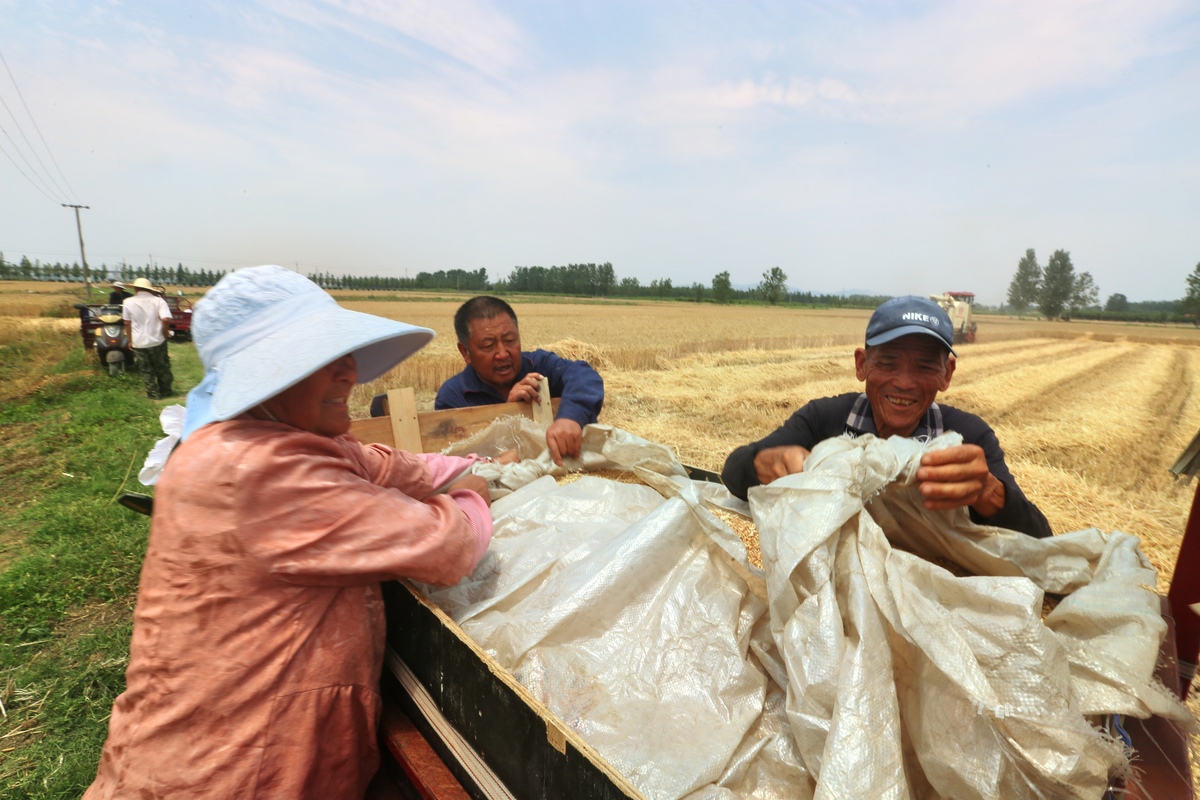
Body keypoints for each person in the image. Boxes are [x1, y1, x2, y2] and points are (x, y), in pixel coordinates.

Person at [84, 265, 494, 799]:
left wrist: (475, 462)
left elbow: (391, 466)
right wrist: (473, 497)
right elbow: (447, 546)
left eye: (344, 353)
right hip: (231, 771)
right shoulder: (255, 471)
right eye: (325, 358)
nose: (350, 372)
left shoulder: (273, 436)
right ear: (269, 374)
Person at [722, 295, 1052, 539]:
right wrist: (761, 463)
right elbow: (734, 474)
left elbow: (1039, 539)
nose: (904, 383)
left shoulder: (968, 436)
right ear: (862, 364)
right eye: (889, 363)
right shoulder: (825, 419)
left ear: (946, 374)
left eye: (924, 366)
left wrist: (988, 493)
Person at [394, 295, 603, 466]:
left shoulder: (539, 365)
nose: (502, 354)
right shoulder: (454, 396)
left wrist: (570, 417)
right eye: (488, 345)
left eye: (510, 340)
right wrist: (508, 415)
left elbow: (584, 376)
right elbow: (458, 464)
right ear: (465, 352)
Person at [122, 277, 174, 399]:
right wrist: (165, 332)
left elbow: (126, 323)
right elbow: (166, 319)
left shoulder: (128, 302)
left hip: (139, 342)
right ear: (149, 289)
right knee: (162, 366)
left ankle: (153, 393)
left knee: (146, 369)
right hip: (157, 340)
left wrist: (130, 340)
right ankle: (166, 390)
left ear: (135, 288)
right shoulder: (158, 301)